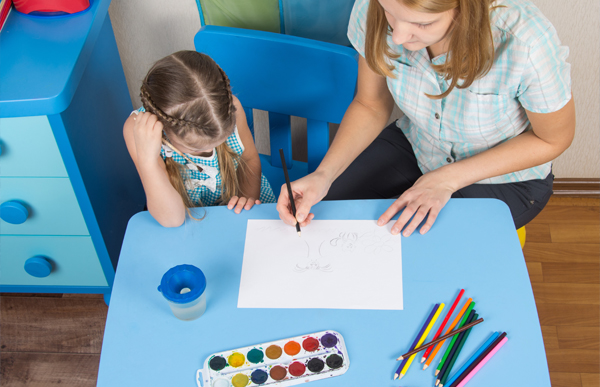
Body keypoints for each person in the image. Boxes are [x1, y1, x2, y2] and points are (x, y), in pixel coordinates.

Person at [277, 0, 575, 237]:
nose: (398, 36)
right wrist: (324, 175)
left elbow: (553, 138)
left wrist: (445, 179)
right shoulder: (371, 9)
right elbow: (370, 105)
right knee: (327, 215)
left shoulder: (525, 40)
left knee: (423, 255)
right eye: (390, 12)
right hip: (418, 144)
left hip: (505, 177)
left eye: (422, 23)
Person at [124, 51, 276, 227]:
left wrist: (245, 201)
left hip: (239, 200)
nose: (208, 151)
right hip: (187, 216)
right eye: (196, 149)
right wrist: (148, 162)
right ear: (163, 127)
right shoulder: (138, 131)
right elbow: (172, 220)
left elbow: (248, 159)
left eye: (221, 140)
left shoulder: (230, 107)